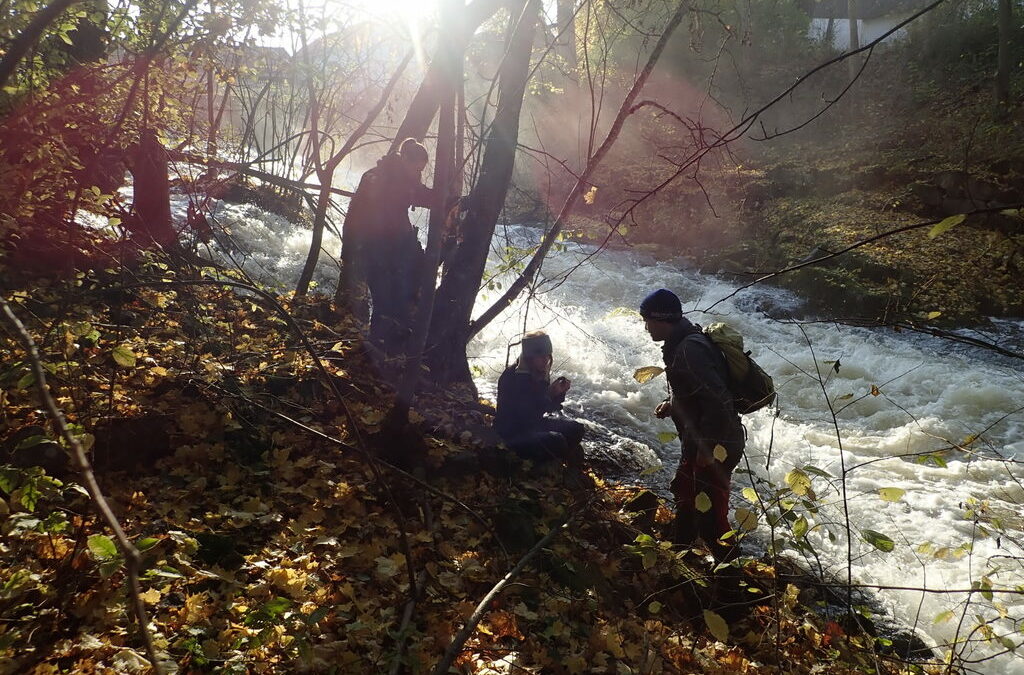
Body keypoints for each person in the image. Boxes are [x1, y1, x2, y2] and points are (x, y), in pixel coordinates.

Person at [640, 289, 744, 559]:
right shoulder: (682, 342)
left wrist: (706, 450)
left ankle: (731, 587)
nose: (646, 327)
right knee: (685, 497)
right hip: (702, 441)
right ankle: (678, 560)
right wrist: (672, 403)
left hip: (716, 446)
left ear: (663, 319)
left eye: (647, 321)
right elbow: (696, 389)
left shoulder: (689, 349)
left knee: (711, 520)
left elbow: (719, 402)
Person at [338, 138, 436, 354]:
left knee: (402, 297)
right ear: (405, 161)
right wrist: (349, 249)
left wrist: (453, 200)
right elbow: (354, 215)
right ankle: (378, 347)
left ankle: (392, 347)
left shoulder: (407, 180)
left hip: (398, 251)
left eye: (421, 169)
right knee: (384, 298)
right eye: (416, 167)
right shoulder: (376, 178)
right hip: (375, 250)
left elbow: (424, 195)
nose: (418, 172)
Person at [493, 331, 585, 466]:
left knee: (577, 428)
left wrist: (557, 394)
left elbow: (544, 409)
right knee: (557, 441)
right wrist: (549, 395)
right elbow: (526, 414)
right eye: (541, 356)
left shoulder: (539, 374)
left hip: (532, 425)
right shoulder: (513, 377)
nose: (546, 359)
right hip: (511, 433)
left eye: (548, 355)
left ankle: (560, 461)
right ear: (530, 357)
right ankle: (546, 465)